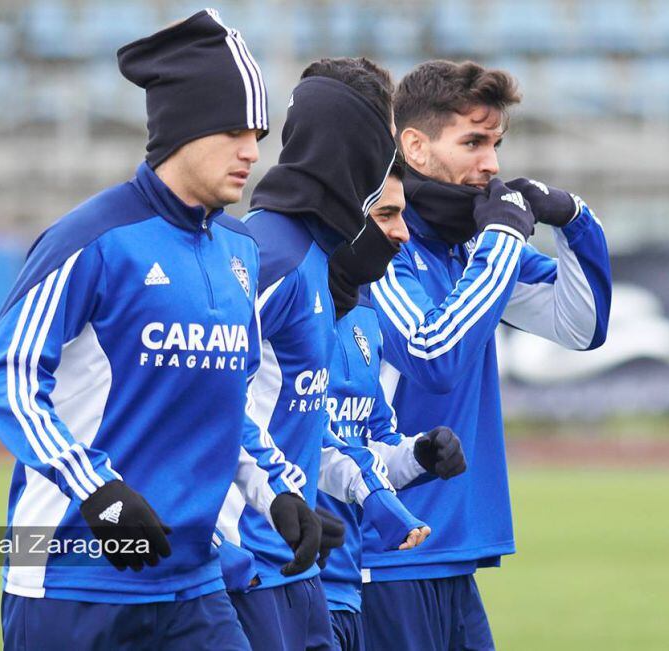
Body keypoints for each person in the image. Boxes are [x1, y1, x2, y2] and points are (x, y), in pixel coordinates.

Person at [0, 10, 318, 649]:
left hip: (195, 585)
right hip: (71, 585)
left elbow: (226, 406)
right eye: (233, 130)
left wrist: (275, 492)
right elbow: (9, 381)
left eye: (260, 133)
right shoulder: (92, 239)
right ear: (182, 129)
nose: (252, 151)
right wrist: (97, 489)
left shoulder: (240, 253)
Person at [361, 60, 612, 650]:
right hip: (385, 554)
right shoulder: (374, 241)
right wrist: (501, 239)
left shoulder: (473, 244)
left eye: (497, 143)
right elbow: (433, 356)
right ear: (415, 147)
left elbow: (581, 325)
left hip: (455, 552)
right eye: (473, 142)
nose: (492, 165)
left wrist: (574, 219)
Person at [217, 58, 425, 651]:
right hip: (252, 567)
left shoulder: (321, 265)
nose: (391, 161)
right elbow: (209, 402)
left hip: (299, 563)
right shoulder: (266, 257)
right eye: (383, 142)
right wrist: (263, 512)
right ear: (350, 147)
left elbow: (300, 418)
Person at [319, 159, 468, 651]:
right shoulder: (284, 297)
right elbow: (297, 442)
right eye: (386, 216)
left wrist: (420, 454)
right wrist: (379, 500)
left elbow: (372, 442)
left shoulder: (365, 312)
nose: (403, 232)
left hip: (348, 587)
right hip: (286, 582)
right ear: (345, 215)